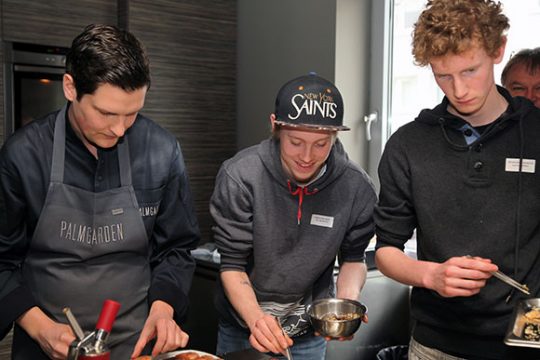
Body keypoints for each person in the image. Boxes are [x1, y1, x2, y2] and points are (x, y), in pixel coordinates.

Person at [0, 24, 200, 359]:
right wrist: (38, 327)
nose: (119, 129)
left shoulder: (161, 150)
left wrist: (164, 309)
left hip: (135, 346)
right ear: (70, 87)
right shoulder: (23, 155)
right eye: (106, 113)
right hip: (46, 345)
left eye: (132, 114)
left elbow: (177, 249)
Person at [374, 0, 540, 359]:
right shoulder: (409, 143)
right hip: (435, 344)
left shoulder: (537, 133)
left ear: (498, 51)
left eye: (470, 71)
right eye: (442, 75)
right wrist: (430, 276)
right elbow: (387, 252)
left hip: (525, 341)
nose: (459, 90)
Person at [210, 73, 376, 360]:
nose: (307, 156)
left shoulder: (356, 188)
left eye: (321, 144)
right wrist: (257, 321)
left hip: (309, 332)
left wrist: (345, 304)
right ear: (275, 126)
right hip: (243, 325)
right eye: (295, 142)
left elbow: (353, 258)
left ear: (335, 136)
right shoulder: (240, 177)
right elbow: (233, 265)